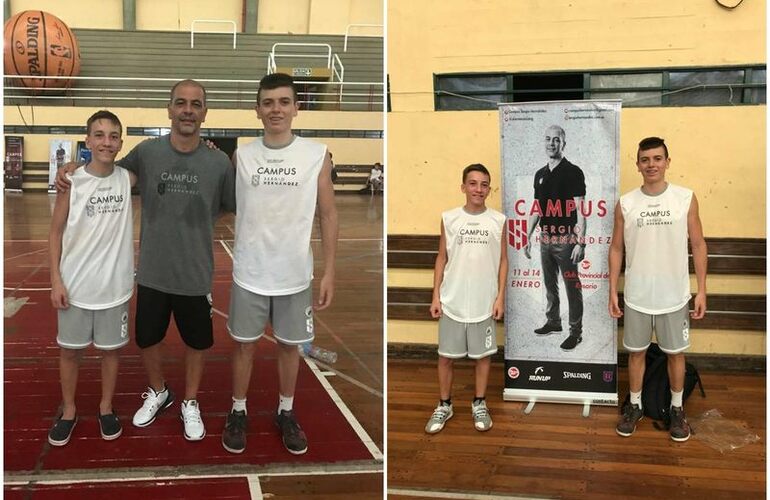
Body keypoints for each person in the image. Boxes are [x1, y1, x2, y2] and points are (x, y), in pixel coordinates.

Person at [56, 80, 236, 442]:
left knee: (197, 343)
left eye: (195, 104)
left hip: (195, 273)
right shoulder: (147, 153)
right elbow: (105, 169)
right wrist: (72, 166)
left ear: (204, 112)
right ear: (169, 109)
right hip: (152, 273)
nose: (188, 110)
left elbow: (228, 206)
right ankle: (159, 391)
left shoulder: (218, 161)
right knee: (148, 339)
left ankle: (190, 401)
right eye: (181, 103)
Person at [221, 73, 338, 455]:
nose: (276, 109)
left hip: (294, 275)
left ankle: (285, 411)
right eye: (268, 102)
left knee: (290, 348)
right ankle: (238, 410)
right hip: (250, 273)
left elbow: (328, 215)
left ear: (296, 108)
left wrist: (330, 270)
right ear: (257, 109)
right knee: (244, 347)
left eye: (284, 102)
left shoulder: (316, 155)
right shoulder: (241, 156)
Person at [609, 137, 707, 442]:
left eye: (657, 158)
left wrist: (701, 290)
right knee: (636, 354)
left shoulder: (685, 198)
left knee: (675, 355)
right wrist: (613, 289)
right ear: (637, 164)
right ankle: (634, 406)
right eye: (645, 159)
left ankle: (677, 410)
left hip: (674, 295)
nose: (651, 164)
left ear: (667, 161)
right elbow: (615, 249)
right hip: (638, 295)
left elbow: (698, 244)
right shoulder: (626, 203)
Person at [48, 110, 136, 446]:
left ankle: (105, 407)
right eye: (99, 135)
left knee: (110, 352)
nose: (106, 142)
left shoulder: (127, 179)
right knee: (70, 353)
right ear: (87, 141)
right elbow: (55, 233)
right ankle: (69, 410)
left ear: (120, 143)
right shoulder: (73, 181)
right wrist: (56, 280)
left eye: (113, 136)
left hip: (114, 288)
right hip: (75, 287)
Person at [425, 163, 507, 434]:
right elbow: (441, 257)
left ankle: (479, 402)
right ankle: (444, 404)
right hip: (452, 301)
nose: (478, 189)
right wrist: (436, 295)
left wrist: (500, 298)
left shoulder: (499, 220)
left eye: (484, 184)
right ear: (463, 187)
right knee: (446, 357)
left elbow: (504, 261)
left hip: (484, 303)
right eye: (473, 183)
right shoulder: (449, 218)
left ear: (489, 189)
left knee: (482, 357)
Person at [523, 125, 586, 351]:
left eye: (556, 140)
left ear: (563, 143)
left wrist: (581, 242)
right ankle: (553, 322)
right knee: (550, 285)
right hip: (546, 239)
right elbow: (538, 209)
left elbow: (581, 211)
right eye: (548, 139)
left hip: (567, 240)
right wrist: (527, 235)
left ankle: (575, 332)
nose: (551, 143)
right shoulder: (540, 174)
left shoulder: (574, 172)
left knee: (572, 286)